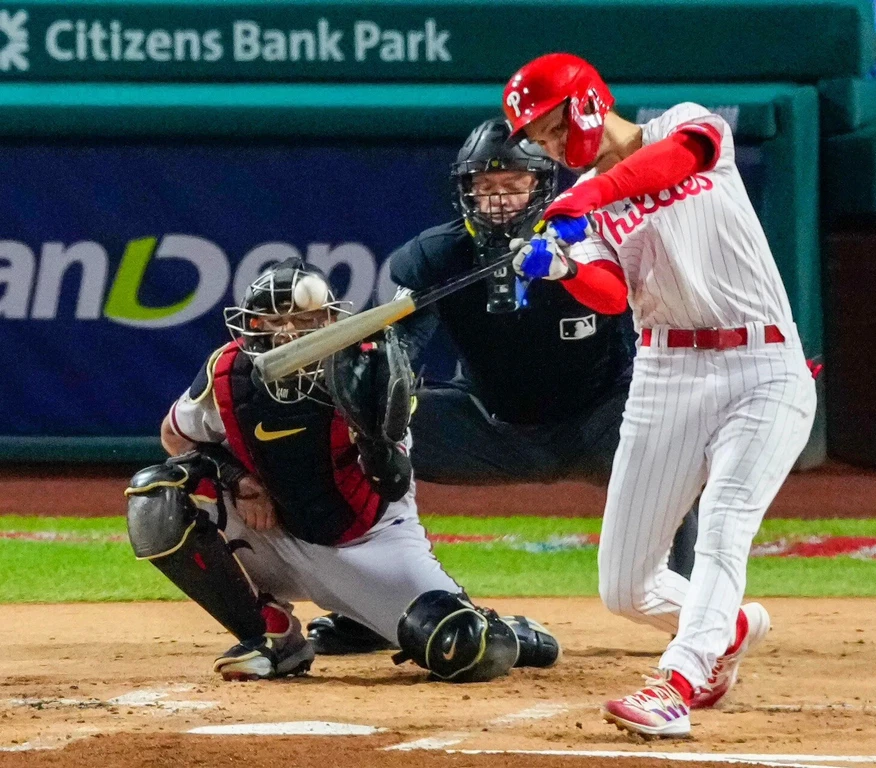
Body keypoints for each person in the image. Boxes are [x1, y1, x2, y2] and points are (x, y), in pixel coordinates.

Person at [503, 53, 816, 737]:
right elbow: (612, 295)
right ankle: (723, 627)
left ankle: (677, 679)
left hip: (763, 364)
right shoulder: (584, 206)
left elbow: (677, 161)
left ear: (586, 102)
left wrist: (587, 199)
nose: (552, 146)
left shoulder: (683, 126)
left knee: (725, 525)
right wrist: (560, 263)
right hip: (666, 374)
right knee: (625, 584)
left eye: (553, 128)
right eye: (541, 139)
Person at [305, 118, 700, 655]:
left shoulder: (594, 244)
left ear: (541, 186)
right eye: (484, 187)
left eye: (512, 185)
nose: (497, 200)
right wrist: (371, 387)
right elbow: (396, 348)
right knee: (360, 431)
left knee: (673, 435)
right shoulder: (435, 257)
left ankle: (693, 614)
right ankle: (376, 607)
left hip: (603, 424)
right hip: (488, 428)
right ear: (464, 191)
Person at [124, 257, 560, 683]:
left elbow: (392, 482)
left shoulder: (371, 368)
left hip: (369, 543)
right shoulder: (229, 370)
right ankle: (272, 637)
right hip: (277, 532)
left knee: (462, 647)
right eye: (273, 322)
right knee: (157, 497)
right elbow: (175, 436)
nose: (288, 335)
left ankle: (506, 634)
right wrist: (243, 482)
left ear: (331, 321)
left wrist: (372, 434)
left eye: (304, 320)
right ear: (251, 327)